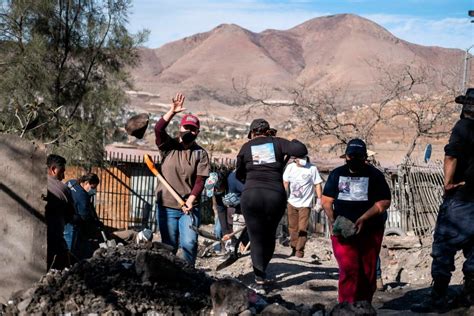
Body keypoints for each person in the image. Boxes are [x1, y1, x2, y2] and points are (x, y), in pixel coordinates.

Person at [412, 92, 474, 312]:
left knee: (444, 248)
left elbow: (451, 155)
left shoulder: (463, 127)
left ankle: (438, 298)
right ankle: (469, 296)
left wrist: (448, 182)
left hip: (462, 197)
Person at [236, 118, 307, 293]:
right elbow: (301, 150)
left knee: (255, 237)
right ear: (268, 131)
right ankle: (264, 271)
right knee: (269, 235)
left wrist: (252, 179)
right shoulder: (278, 143)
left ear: (252, 133)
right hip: (275, 195)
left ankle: (259, 278)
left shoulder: (246, 147)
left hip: (251, 195)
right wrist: (281, 141)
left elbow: (239, 174)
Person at [321, 139, 391, 304]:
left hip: (370, 230)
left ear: (365, 157)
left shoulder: (375, 175)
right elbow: (326, 200)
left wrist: (364, 218)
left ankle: (363, 304)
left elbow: (384, 202)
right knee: (348, 268)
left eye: (358, 156)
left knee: (368, 270)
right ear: (346, 156)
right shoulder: (337, 174)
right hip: (342, 229)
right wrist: (332, 220)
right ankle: (346, 306)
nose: (354, 159)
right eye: (351, 155)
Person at [154, 93, 210, 266]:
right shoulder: (168, 146)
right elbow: (158, 130)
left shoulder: (201, 154)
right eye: (187, 127)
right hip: (167, 206)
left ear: (198, 132)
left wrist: (191, 200)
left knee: (189, 243)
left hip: (189, 207)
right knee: (169, 246)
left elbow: (200, 181)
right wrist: (172, 111)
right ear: (181, 127)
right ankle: (170, 279)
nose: (190, 131)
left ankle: (188, 276)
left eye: (193, 129)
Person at [283, 155, 323, 258]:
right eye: (297, 158)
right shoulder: (290, 167)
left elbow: (317, 184)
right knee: (292, 227)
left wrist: (319, 200)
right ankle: (293, 247)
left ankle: (299, 251)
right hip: (291, 202)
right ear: (294, 159)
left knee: (302, 228)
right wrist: (282, 197)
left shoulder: (312, 168)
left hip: (305, 204)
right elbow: (285, 183)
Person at [45, 154, 75, 270]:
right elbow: (70, 214)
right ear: (53, 169)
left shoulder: (36, 183)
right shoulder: (62, 188)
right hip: (55, 239)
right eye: (62, 172)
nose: (63, 176)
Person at [64, 173, 101, 260]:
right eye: (92, 187)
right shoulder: (82, 196)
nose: (94, 190)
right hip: (72, 223)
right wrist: (94, 225)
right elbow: (85, 216)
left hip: (62, 217)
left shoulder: (72, 182)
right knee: (69, 249)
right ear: (86, 182)